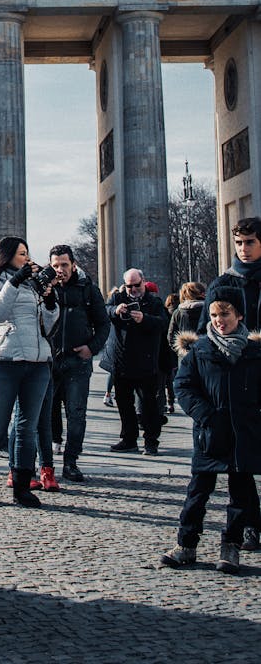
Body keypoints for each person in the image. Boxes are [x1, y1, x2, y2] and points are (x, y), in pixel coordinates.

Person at [161, 286, 261, 573]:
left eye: (226, 314)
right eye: (215, 314)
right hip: (210, 432)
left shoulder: (254, 352)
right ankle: (186, 544)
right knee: (197, 492)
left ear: (239, 315)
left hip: (243, 432)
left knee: (240, 494)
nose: (220, 320)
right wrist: (204, 415)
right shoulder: (200, 349)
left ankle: (231, 546)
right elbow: (184, 385)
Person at [198, 216, 261, 551]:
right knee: (242, 463)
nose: (243, 249)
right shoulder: (224, 282)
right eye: (238, 243)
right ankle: (251, 524)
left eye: (249, 242)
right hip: (235, 385)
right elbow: (200, 335)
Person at [0, 236, 59, 506]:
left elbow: (47, 326)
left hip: (37, 363)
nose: (27, 258)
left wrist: (50, 301)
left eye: (27, 253)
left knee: (27, 427)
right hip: (5, 361)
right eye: (21, 254)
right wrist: (15, 281)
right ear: (7, 256)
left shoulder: (33, 284)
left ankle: (22, 487)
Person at [47, 244, 109, 482]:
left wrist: (91, 348)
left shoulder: (88, 289)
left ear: (73, 264)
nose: (60, 269)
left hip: (77, 361)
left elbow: (103, 324)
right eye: (55, 266)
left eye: (64, 264)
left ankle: (71, 461)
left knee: (76, 412)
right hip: (50, 361)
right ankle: (50, 455)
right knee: (48, 410)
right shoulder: (46, 288)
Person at [104, 268, 169, 456]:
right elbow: (104, 312)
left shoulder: (154, 302)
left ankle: (151, 442)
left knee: (149, 404)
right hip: (121, 360)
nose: (133, 289)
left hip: (146, 362)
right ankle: (129, 439)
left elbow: (163, 323)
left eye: (136, 285)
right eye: (129, 286)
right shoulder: (117, 298)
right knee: (123, 403)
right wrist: (115, 311)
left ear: (144, 282)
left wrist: (145, 319)